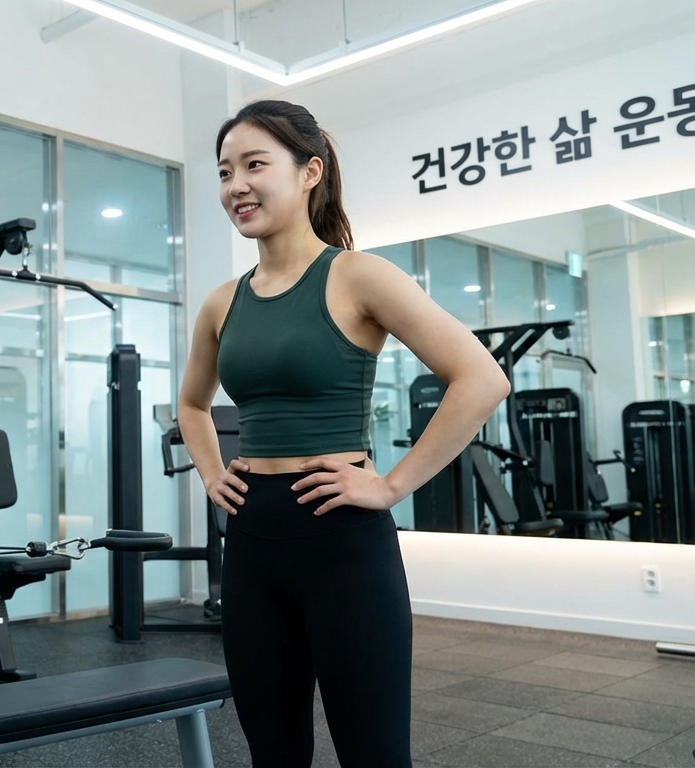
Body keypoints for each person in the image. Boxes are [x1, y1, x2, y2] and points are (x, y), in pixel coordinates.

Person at [177, 99, 510, 767]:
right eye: (223, 172)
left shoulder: (358, 276)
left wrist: (391, 485)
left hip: (341, 537)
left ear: (309, 173)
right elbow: (191, 404)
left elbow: (481, 378)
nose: (235, 185)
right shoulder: (223, 300)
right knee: (273, 752)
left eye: (254, 165)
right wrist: (214, 472)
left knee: (374, 753)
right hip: (252, 537)